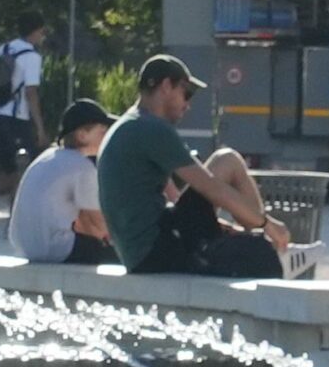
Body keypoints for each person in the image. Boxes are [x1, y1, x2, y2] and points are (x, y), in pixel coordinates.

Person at [97, 54, 290, 278]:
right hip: (156, 254)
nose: (188, 105)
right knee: (256, 251)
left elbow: (172, 203)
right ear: (166, 86)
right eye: (186, 93)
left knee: (226, 161)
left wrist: (225, 227)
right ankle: (276, 245)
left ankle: (271, 242)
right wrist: (267, 223)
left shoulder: (131, 124)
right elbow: (211, 188)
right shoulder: (151, 128)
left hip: (142, 249)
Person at [9, 98, 113, 264]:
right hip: (58, 250)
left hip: (26, 248)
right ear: (82, 135)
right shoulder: (82, 167)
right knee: (119, 255)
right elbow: (100, 225)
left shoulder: (45, 158)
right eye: (102, 132)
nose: (108, 137)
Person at [0, 14, 49, 231]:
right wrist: (40, 127)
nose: (43, 36)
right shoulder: (31, 56)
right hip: (16, 117)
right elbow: (31, 92)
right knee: (21, 168)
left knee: (12, 167)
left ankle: (11, 219)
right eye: (42, 32)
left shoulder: (3, 49)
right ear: (35, 31)